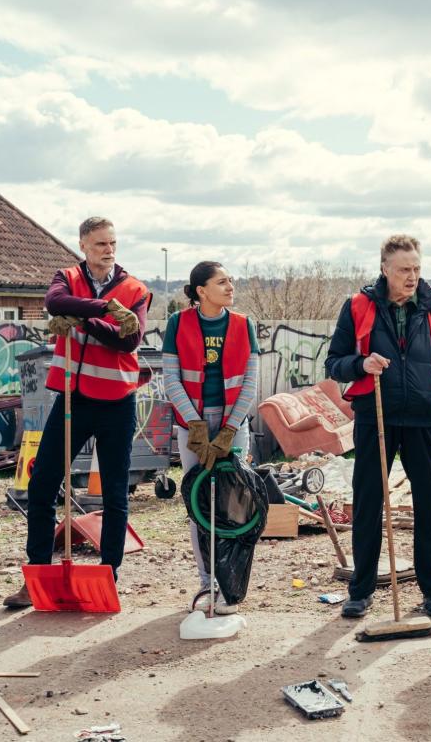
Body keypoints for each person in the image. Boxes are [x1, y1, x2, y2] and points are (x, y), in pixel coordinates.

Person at [4, 217, 150, 608]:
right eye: (100, 243)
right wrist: (103, 310)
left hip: (118, 401)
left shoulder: (136, 289)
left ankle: (108, 575)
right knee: (43, 484)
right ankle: (37, 572)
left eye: (113, 243)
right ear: (83, 244)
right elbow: (54, 303)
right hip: (73, 398)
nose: (108, 249)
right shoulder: (66, 276)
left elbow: (128, 339)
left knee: (116, 491)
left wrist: (83, 318)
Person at [324, 234, 431, 619]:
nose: (412, 276)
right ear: (385, 268)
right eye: (404, 269)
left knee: (429, 505)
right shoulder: (358, 307)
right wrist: (360, 365)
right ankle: (361, 591)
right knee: (369, 503)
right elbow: (334, 362)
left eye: (417, 268)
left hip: (422, 417)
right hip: (376, 415)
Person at [162, 261, 260, 615]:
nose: (230, 286)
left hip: (234, 424)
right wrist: (196, 426)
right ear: (201, 291)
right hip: (194, 425)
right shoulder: (178, 323)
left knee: (234, 505)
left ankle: (231, 583)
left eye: (231, 281)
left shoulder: (243, 324)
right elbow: (171, 378)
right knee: (199, 506)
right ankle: (207, 582)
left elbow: (250, 381)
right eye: (222, 282)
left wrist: (230, 429)